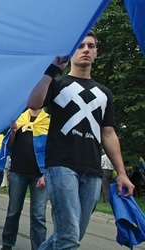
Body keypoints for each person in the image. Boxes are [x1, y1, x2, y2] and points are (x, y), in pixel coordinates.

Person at [27, 30, 134, 249]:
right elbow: (34, 103)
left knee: (71, 234)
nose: (85, 49)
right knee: (68, 238)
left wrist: (121, 173)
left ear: (96, 52)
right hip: (61, 165)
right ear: (72, 51)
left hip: (92, 170)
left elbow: (108, 134)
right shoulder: (57, 84)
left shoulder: (104, 93)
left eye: (91, 46)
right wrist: (51, 71)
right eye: (80, 45)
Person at [1, 108, 49, 250]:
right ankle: (7, 244)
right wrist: (14, 132)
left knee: (38, 216)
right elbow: (9, 147)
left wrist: (46, 175)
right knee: (13, 211)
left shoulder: (48, 122)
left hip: (39, 175)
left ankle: (39, 247)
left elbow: (53, 150)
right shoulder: (19, 119)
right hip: (18, 172)